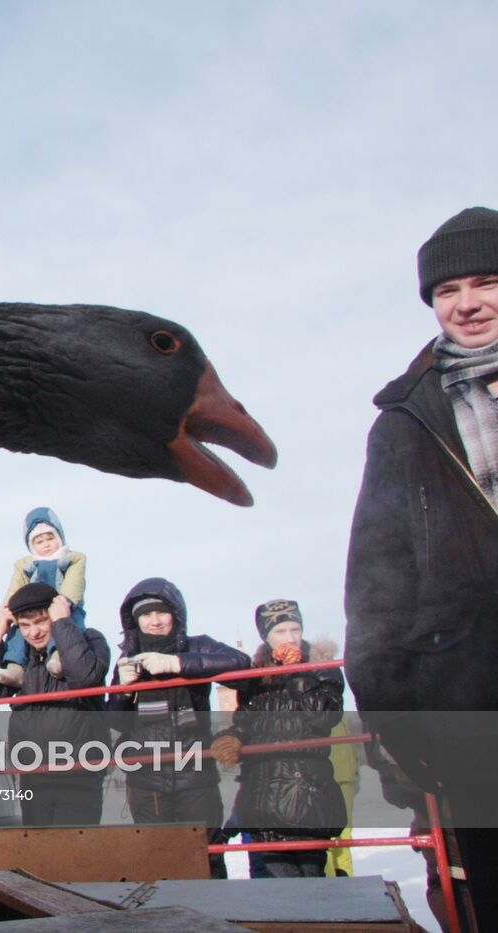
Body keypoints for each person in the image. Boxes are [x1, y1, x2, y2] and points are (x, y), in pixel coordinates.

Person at [345, 206, 498, 929]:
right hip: (474, 704)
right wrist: (399, 727)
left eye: (485, 280)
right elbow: (376, 587)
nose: (466, 302)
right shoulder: (404, 423)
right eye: (447, 291)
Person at [107, 577, 249, 878]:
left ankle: (214, 922)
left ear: (176, 615)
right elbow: (117, 721)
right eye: (146, 615)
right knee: (157, 864)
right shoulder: (127, 659)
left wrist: (176, 664)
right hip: (147, 784)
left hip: (196, 780)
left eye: (161, 612)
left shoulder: (197, 646)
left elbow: (241, 664)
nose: (154, 621)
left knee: (206, 862)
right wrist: (122, 688)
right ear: (135, 621)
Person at [211, 599, 346, 878]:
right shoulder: (258, 673)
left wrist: (296, 672)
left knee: (311, 878)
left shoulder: (323, 666)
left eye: (295, 629)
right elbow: (246, 719)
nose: (290, 638)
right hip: (264, 792)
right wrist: (231, 737)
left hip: (306, 792)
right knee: (278, 885)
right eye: (280, 632)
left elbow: (324, 716)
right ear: (267, 637)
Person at [0, 582, 110, 827]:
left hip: (79, 771)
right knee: (38, 857)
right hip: (33, 774)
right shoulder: (20, 659)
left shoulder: (89, 640)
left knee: (74, 854)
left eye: (40, 622)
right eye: (24, 626)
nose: (33, 633)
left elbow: (85, 676)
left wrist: (63, 624)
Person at [0, 507, 88, 687]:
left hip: (63, 605)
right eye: (39, 541)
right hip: (33, 608)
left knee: (66, 625)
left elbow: (75, 582)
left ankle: (59, 656)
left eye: (50, 538)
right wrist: (9, 608)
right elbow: (15, 586)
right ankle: (15, 667)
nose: (46, 544)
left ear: (59, 538)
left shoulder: (72, 559)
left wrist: (64, 601)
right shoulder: (25, 565)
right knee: (19, 630)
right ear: (31, 545)